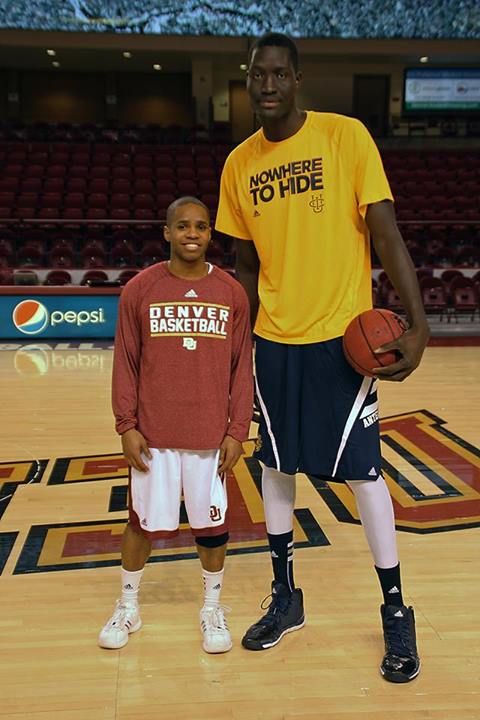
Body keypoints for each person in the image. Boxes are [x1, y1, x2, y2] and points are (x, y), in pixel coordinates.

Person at [215, 33, 429, 682]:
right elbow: (245, 265)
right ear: (247, 81)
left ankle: (396, 613)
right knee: (276, 470)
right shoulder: (238, 165)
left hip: (342, 344)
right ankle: (286, 597)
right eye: (259, 74)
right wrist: (236, 344)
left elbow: (386, 230)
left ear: (299, 78)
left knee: (365, 477)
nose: (268, 84)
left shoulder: (346, 138)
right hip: (274, 343)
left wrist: (417, 324)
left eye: (280, 73)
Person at [99, 196, 253, 653]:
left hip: (209, 435)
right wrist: (125, 424)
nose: (192, 233)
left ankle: (212, 609)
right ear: (166, 232)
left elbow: (241, 367)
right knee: (140, 523)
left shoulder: (231, 293)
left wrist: (237, 430)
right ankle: (128, 607)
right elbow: (125, 362)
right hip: (153, 434)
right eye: (182, 226)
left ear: (210, 235)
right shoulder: (139, 289)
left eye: (201, 227)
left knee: (212, 526)